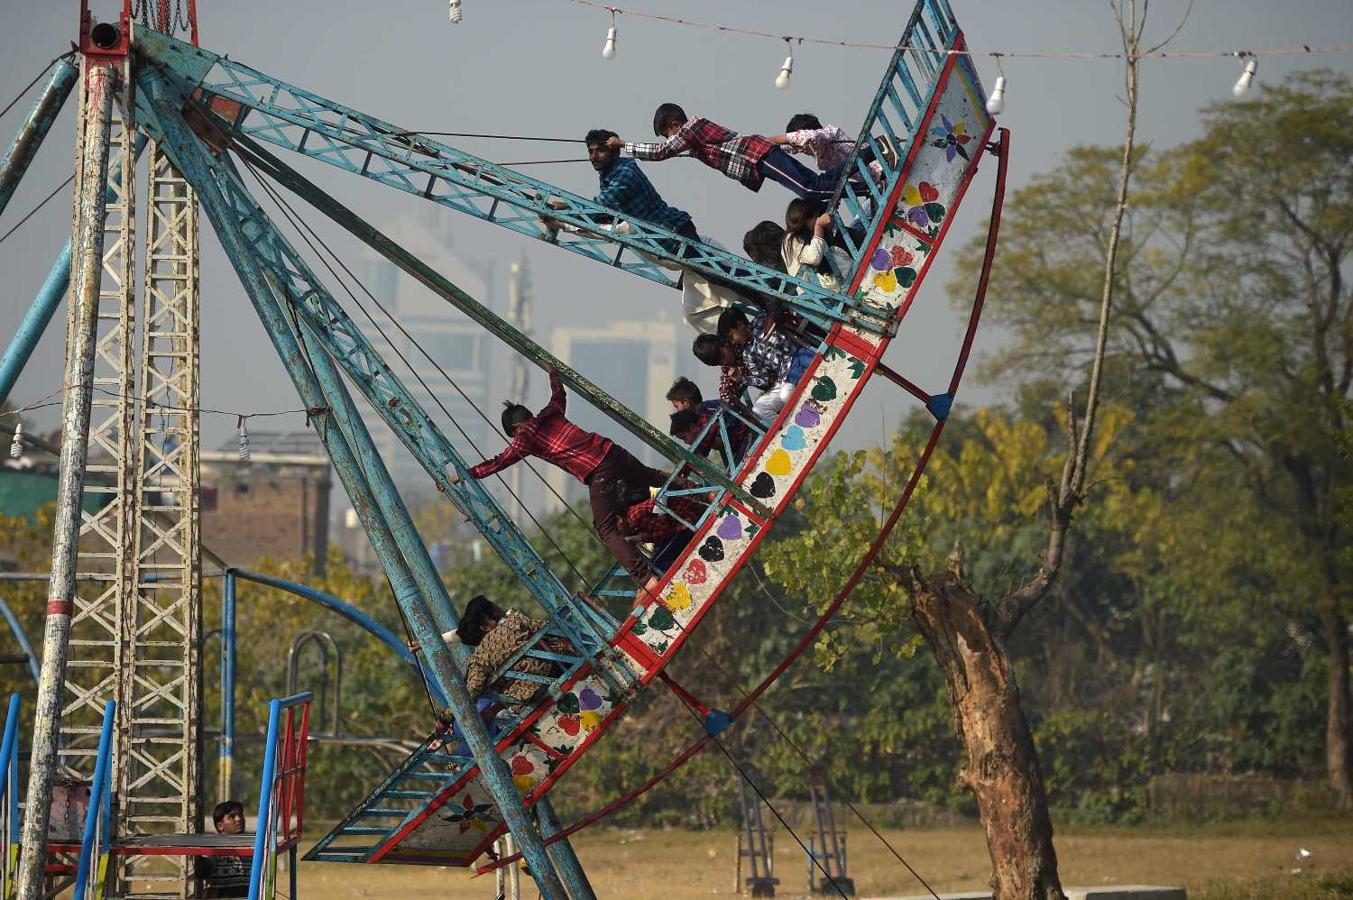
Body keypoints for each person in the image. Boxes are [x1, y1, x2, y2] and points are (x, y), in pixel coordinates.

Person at [451, 369, 671, 589]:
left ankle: (646, 579)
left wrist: (466, 475)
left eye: (514, 436)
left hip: (598, 471)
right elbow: (559, 393)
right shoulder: (551, 412)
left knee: (606, 529)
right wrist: (553, 372)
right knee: (649, 475)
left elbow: (499, 462)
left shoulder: (525, 437)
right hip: (611, 450)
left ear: (517, 429)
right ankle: (699, 490)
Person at [609, 103, 872, 202]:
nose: (671, 139)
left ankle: (869, 158)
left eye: (668, 134)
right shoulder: (694, 138)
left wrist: (625, 145)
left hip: (759, 155)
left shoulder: (691, 129)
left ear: (674, 126)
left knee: (810, 190)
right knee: (816, 187)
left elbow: (661, 151)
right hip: (760, 159)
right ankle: (870, 182)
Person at [543, 128, 699, 247]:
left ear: (615, 152)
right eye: (591, 152)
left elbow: (599, 207)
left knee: (714, 277)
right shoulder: (609, 174)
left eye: (600, 151)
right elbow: (608, 215)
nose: (593, 157)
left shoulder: (625, 173)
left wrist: (565, 207)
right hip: (658, 234)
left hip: (673, 231)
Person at [694, 308, 814, 421]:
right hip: (785, 375)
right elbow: (761, 380)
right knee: (770, 403)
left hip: (797, 354)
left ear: (725, 344)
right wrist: (742, 379)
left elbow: (776, 313)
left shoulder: (759, 323)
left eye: (722, 356)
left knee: (812, 361)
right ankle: (797, 425)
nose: (723, 362)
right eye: (718, 363)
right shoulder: (744, 357)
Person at [456, 596, 566, 705]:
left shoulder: (480, 656)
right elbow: (548, 628)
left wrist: (447, 716)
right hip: (556, 669)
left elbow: (473, 689)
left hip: (526, 697)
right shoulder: (514, 622)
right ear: (485, 627)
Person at [769, 113, 888, 179]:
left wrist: (773, 138)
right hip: (876, 181)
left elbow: (811, 136)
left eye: (798, 142)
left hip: (882, 165)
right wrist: (764, 143)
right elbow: (788, 147)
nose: (800, 150)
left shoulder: (830, 133)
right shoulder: (820, 157)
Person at [782, 199, 853, 292]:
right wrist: (819, 227)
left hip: (822, 286)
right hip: (814, 292)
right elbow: (814, 257)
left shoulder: (803, 236)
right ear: (805, 219)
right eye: (815, 217)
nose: (817, 220)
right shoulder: (790, 239)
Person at [194, 800, 250, 898]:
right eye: (232, 817)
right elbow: (202, 871)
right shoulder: (214, 848)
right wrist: (202, 861)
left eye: (240, 815)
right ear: (220, 826)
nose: (239, 819)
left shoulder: (252, 847)